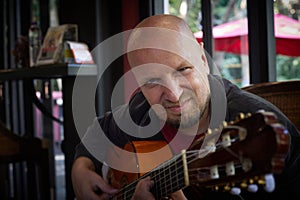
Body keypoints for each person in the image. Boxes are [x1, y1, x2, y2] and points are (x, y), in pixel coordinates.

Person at [71, 14, 300, 200]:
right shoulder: (142, 108)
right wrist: (80, 169)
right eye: (152, 81)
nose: (173, 94)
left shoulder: (260, 129)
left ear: (202, 58)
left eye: (183, 69)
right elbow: (98, 134)